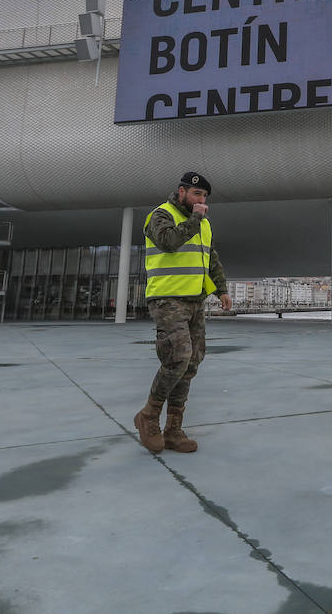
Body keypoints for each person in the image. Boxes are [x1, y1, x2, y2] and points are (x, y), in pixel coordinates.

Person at [132, 171, 231, 454]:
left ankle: (173, 429)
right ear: (181, 192)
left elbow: (211, 258)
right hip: (167, 298)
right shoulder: (160, 215)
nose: (201, 200)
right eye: (197, 194)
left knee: (191, 363)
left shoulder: (203, 224)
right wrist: (196, 219)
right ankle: (149, 415)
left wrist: (221, 290)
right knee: (178, 356)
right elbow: (168, 242)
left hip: (195, 300)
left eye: (204, 197)